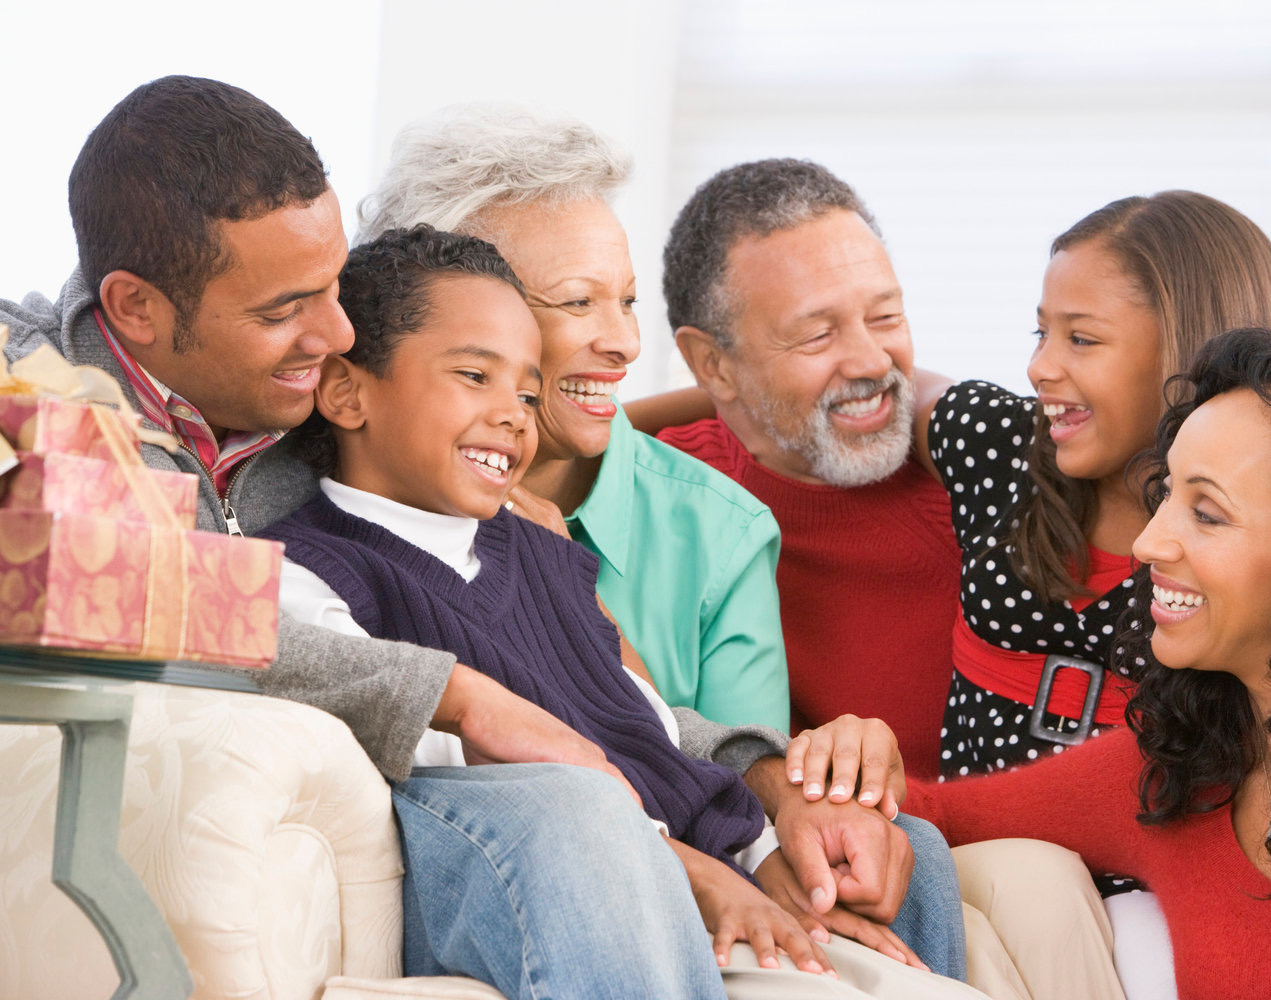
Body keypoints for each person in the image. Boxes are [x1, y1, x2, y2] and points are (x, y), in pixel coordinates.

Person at [0, 75, 951, 1000]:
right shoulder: (41, 408)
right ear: (137, 310)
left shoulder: (393, 441)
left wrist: (776, 784)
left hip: (595, 797)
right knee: (576, 813)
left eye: (336, 287)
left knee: (907, 851)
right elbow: (166, 595)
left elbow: (623, 703)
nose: (336, 331)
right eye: (285, 310)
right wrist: (461, 696)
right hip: (417, 798)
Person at [264, 225, 981, 997]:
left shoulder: (540, 548)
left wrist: (770, 854)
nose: (515, 415)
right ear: (345, 391)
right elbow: (486, 781)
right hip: (559, 868)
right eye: (476, 376)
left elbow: (651, 737)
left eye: (529, 392)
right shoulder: (307, 569)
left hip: (692, 863)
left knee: (910, 848)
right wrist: (701, 877)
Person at [903, 328, 1271, 1000]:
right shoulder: (1179, 772)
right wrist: (799, 770)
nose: (1149, 541)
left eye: (1207, 514)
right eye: (1165, 497)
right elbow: (934, 812)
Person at [356, 105, 790, 734]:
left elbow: (753, 801)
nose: (626, 343)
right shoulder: (316, 504)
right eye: (579, 301)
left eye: (628, 302)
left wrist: (563, 595)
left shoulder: (721, 535)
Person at [914, 191, 1271, 778]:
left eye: (1081, 339)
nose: (1038, 367)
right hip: (964, 847)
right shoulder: (997, 442)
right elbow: (889, 388)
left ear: (1189, 351)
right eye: (1040, 332)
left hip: (1141, 862)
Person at [657, 158, 960, 782]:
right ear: (712, 366)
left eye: (885, 317)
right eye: (818, 336)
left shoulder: (970, 479)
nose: (873, 361)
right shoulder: (660, 489)